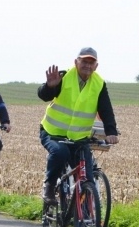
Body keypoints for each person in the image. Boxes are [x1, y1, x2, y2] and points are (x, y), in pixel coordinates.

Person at [38, 47, 119, 205]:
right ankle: (49, 188)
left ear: (96, 66)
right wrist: (50, 86)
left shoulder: (99, 84)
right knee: (60, 153)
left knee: (87, 177)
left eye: (91, 62)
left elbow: (106, 109)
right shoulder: (64, 76)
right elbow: (43, 95)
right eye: (84, 61)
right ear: (76, 62)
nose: (87, 65)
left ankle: (86, 219)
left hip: (79, 138)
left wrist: (111, 131)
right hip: (53, 132)